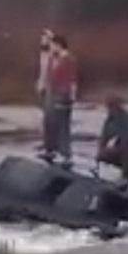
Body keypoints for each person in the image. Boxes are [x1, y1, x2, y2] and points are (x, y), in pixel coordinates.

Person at [41, 34, 77, 167]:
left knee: (62, 125)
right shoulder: (52, 59)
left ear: (59, 45)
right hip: (52, 92)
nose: (52, 47)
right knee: (50, 122)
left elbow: (72, 80)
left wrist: (71, 96)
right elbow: (44, 67)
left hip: (63, 93)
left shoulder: (68, 59)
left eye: (53, 45)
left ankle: (66, 154)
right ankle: (50, 149)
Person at [96, 94, 128, 184]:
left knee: (127, 145)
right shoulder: (110, 119)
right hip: (125, 143)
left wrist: (116, 149)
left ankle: (126, 173)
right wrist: (101, 151)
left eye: (112, 106)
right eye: (109, 107)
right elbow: (104, 137)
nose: (109, 110)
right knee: (104, 154)